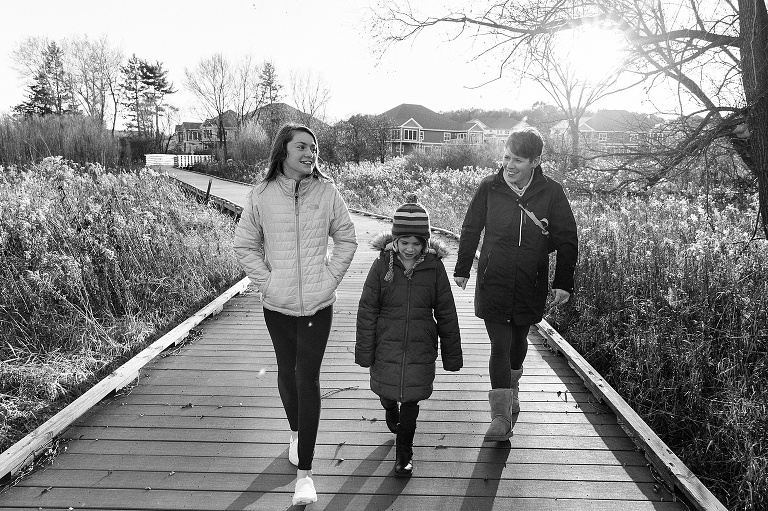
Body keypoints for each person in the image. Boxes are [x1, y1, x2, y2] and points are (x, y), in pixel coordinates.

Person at [234, 123, 358, 505]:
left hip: (319, 305)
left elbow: (347, 238)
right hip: (278, 306)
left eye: (314, 148)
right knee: (287, 372)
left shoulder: (327, 191)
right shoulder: (261, 195)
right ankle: (295, 433)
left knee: (308, 377)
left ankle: (305, 474)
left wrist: (329, 278)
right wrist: (268, 283)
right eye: (302, 146)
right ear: (283, 151)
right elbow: (244, 245)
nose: (310, 153)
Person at [453, 126, 578, 442]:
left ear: (535, 161)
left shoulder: (551, 193)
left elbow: (567, 239)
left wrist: (563, 281)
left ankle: (513, 386)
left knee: (518, 343)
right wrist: (463, 267)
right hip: (493, 278)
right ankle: (500, 417)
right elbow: (471, 228)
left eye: (518, 160)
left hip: (530, 281)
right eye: (507, 156)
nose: (509, 165)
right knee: (500, 344)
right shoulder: (489, 188)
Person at [355, 196, 463, 477]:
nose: (410, 249)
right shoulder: (382, 266)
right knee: (388, 392)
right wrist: (365, 350)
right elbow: (367, 308)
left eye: (417, 244)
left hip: (420, 344)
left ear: (425, 243)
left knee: (412, 399)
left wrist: (452, 354)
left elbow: (446, 311)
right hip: (386, 342)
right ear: (395, 240)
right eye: (404, 243)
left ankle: (404, 452)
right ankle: (389, 407)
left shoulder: (434, 268)